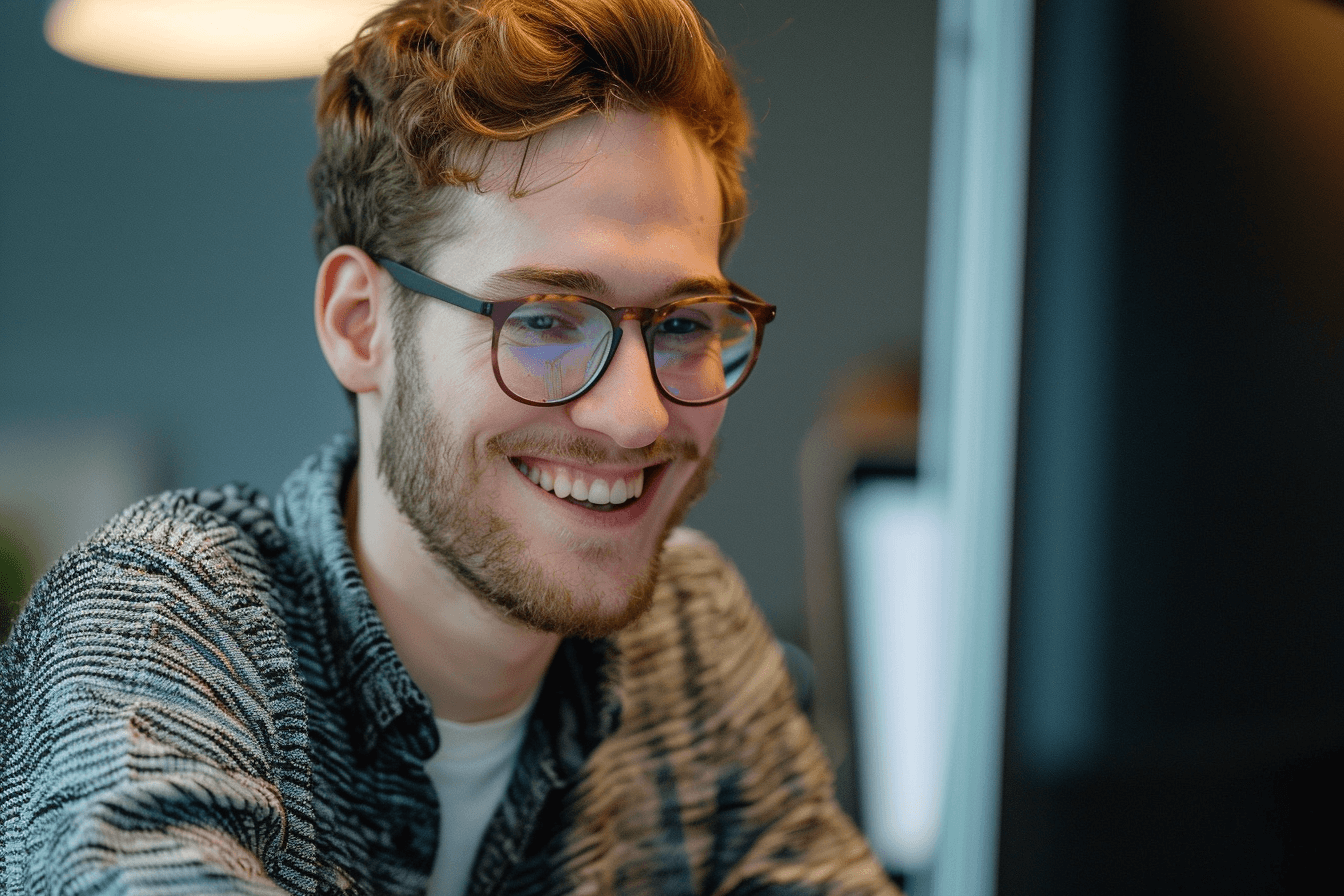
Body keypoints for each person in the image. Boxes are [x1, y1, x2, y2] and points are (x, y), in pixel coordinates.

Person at [0, 1, 898, 893]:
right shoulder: (161, 621)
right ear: (361, 328)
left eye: (683, 323)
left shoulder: (691, 635)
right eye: (546, 318)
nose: (637, 418)